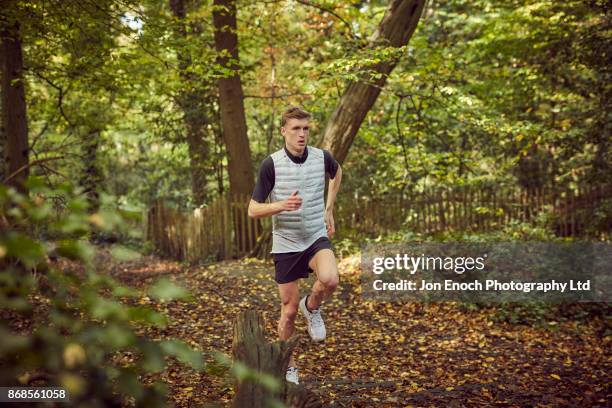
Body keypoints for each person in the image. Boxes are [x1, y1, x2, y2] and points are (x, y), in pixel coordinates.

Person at [248, 106, 342, 385]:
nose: (302, 134)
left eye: (306, 129)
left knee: (331, 279)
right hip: (287, 242)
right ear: (283, 131)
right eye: (296, 129)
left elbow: (338, 174)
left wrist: (329, 209)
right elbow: (252, 210)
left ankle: (312, 307)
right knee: (288, 311)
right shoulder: (271, 165)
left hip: (314, 235)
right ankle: (289, 365)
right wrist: (281, 205)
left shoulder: (321, 157)